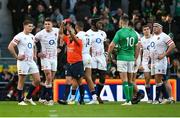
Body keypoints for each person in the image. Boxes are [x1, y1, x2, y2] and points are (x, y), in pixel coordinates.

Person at [107, 15, 139, 105]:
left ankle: (128, 100)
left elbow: (111, 45)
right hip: (131, 59)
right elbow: (137, 47)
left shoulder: (120, 32)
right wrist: (135, 58)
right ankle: (130, 100)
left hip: (122, 58)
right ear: (128, 22)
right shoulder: (133, 33)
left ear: (121, 22)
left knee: (124, 80)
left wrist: (108, 55)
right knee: (130, 80)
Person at [8, 20, 41, 105]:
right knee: (21, 80)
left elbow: (34, 47)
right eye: (29, 26)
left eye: (32, 26)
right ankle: (20, 100)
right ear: (24, 26)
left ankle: (28, 97)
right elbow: (10, 46)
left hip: (31, 61)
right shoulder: (19, 36)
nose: (31, 28)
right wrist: (16, 56)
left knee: (37, 80)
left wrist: (34, 55)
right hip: (23, 61)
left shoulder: (32, 36)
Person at [58, 21, 85, 105]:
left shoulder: (78, 41)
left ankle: (82, 99)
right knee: (68, 81)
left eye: (70, 33)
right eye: (68, 33)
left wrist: (69, 30)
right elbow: (60, 34)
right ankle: (65, 99)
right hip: (69, 64)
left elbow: (73, 37)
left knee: (80, 82)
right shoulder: (67, 40)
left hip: (78, 64)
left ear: (74, 33)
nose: (68, 34)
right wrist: (62, 26)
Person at [34, 17, 59, 105]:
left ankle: (42, 97)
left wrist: (60, 47)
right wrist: (38, 52)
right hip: (45, 58)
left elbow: (63, 36)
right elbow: (33, 42)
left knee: (50, 79)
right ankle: (50, 99)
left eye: (49, 24)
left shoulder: (56, 31)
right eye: (45, 24)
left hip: (54, 58)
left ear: (52, 25)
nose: (47, 26)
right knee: (48, 76)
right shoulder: (40, 34)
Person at [149, 23, 176, 104]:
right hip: (154, 61)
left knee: (159, 79)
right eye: (153, 27)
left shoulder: (164, 36)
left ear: (161, 28)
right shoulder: (153, 36)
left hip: (161, 61)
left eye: (156, 27)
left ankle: (157, 99)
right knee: (158, 80)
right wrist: (150, 61)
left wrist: (164, 54)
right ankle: (167, 98)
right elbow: (152, 49)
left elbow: (172, 45)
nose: (154, 28)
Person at [75, 21, 99, 104]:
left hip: (81, 57)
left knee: (78, 78)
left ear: (76, 27)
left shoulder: (78, 35)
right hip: (88, 56)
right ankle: (94, 97)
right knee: (88, 77)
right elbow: (91, 48)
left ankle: (75, 98)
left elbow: (76, 46)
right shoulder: (88, 35)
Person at [86, 19, 107, 104]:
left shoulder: (103, 33)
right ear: (94, 24)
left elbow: (105, 44)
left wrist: (107, 54)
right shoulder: (88, 33)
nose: (101, 24)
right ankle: (94, 97)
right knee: (92, 77)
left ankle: (98, 96)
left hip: (101, 57)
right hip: (92, 57)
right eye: (99, 23)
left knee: (103, 77)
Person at [140, 25, 153, 103]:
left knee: (159, 79)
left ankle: (161, 97)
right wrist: (140, 64)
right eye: (144, 30)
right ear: (143, 31)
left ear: (150, 30)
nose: (146, 31)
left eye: (147, 29)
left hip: (155, 60)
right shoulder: (141, 40)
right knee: (147, 79)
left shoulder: (154, 38)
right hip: (145, 61)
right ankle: (150, 98)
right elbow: (140, 52)